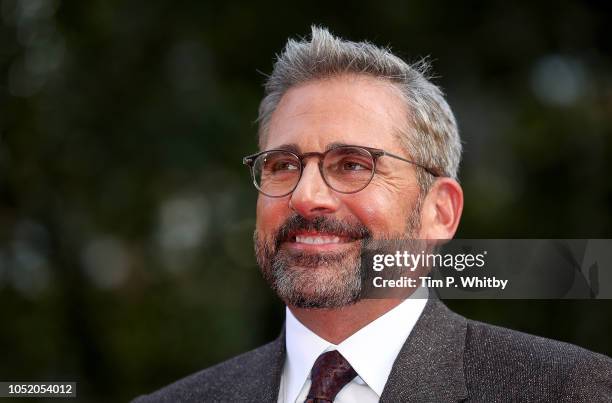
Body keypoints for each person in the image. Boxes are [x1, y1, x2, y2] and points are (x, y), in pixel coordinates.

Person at [134, 26, 612, 402]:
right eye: (283, 165)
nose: (307, 197)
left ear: (440, 212)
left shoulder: (567, 389)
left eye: (352, 165)